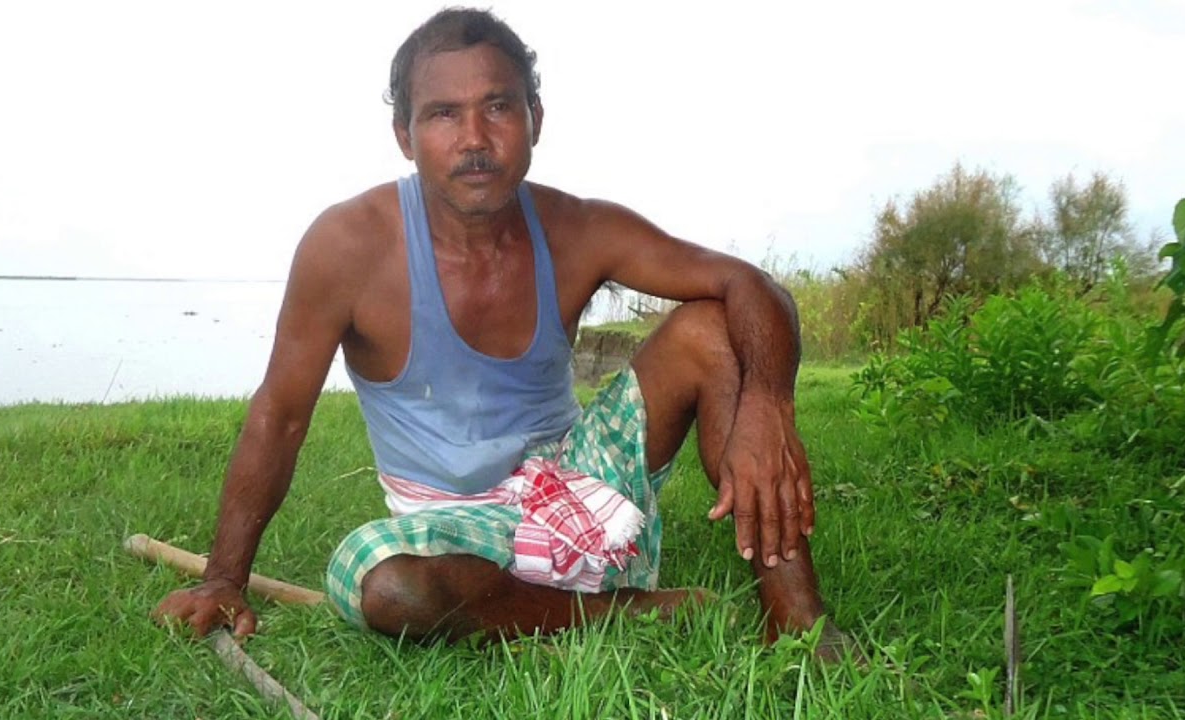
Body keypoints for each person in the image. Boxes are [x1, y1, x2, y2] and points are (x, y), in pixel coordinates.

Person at [155, 7, 848, 657]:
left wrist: (767, 406)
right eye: (443, 115)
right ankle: (623, 607)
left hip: (583, 490)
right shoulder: (348, 247)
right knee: (386, 583)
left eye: (497, 106)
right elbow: (279, 417)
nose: (475, 140)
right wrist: (223, 578)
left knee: (707, 328)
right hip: (456, 527)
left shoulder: (579, 228)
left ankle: (796, 617)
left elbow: (749, 285)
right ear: (405, 136)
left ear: (534, 118)